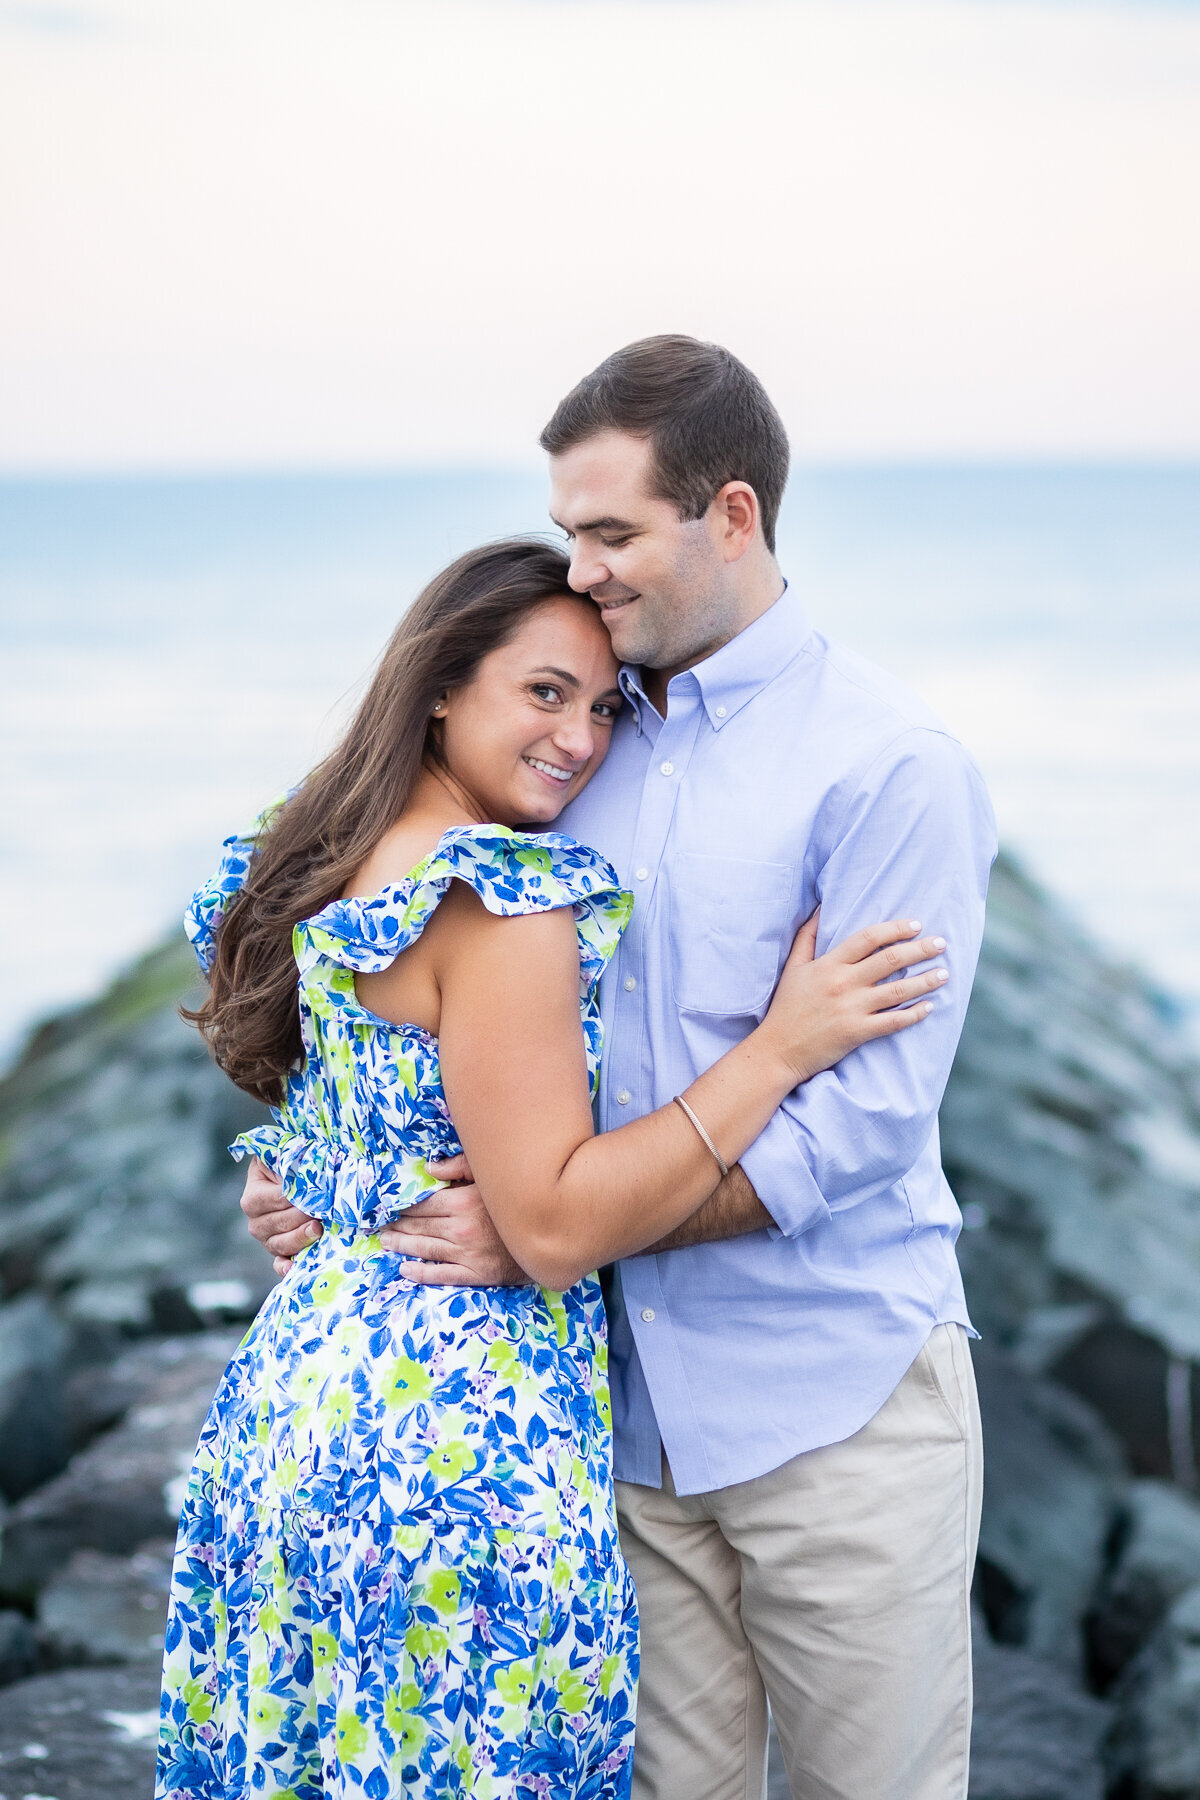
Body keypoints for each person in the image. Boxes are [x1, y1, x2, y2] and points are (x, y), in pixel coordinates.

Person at [245, 337, 996, 1800]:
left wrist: (548, 1234)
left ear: (730, 514)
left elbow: (869, 1124)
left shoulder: (889, 763)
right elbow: (445, 1014)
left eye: (609, 533)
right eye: (569, 532)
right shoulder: (580, 740)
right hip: (612, 1415)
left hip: (831, 1404)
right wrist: (338, 1181)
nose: (579, 569)